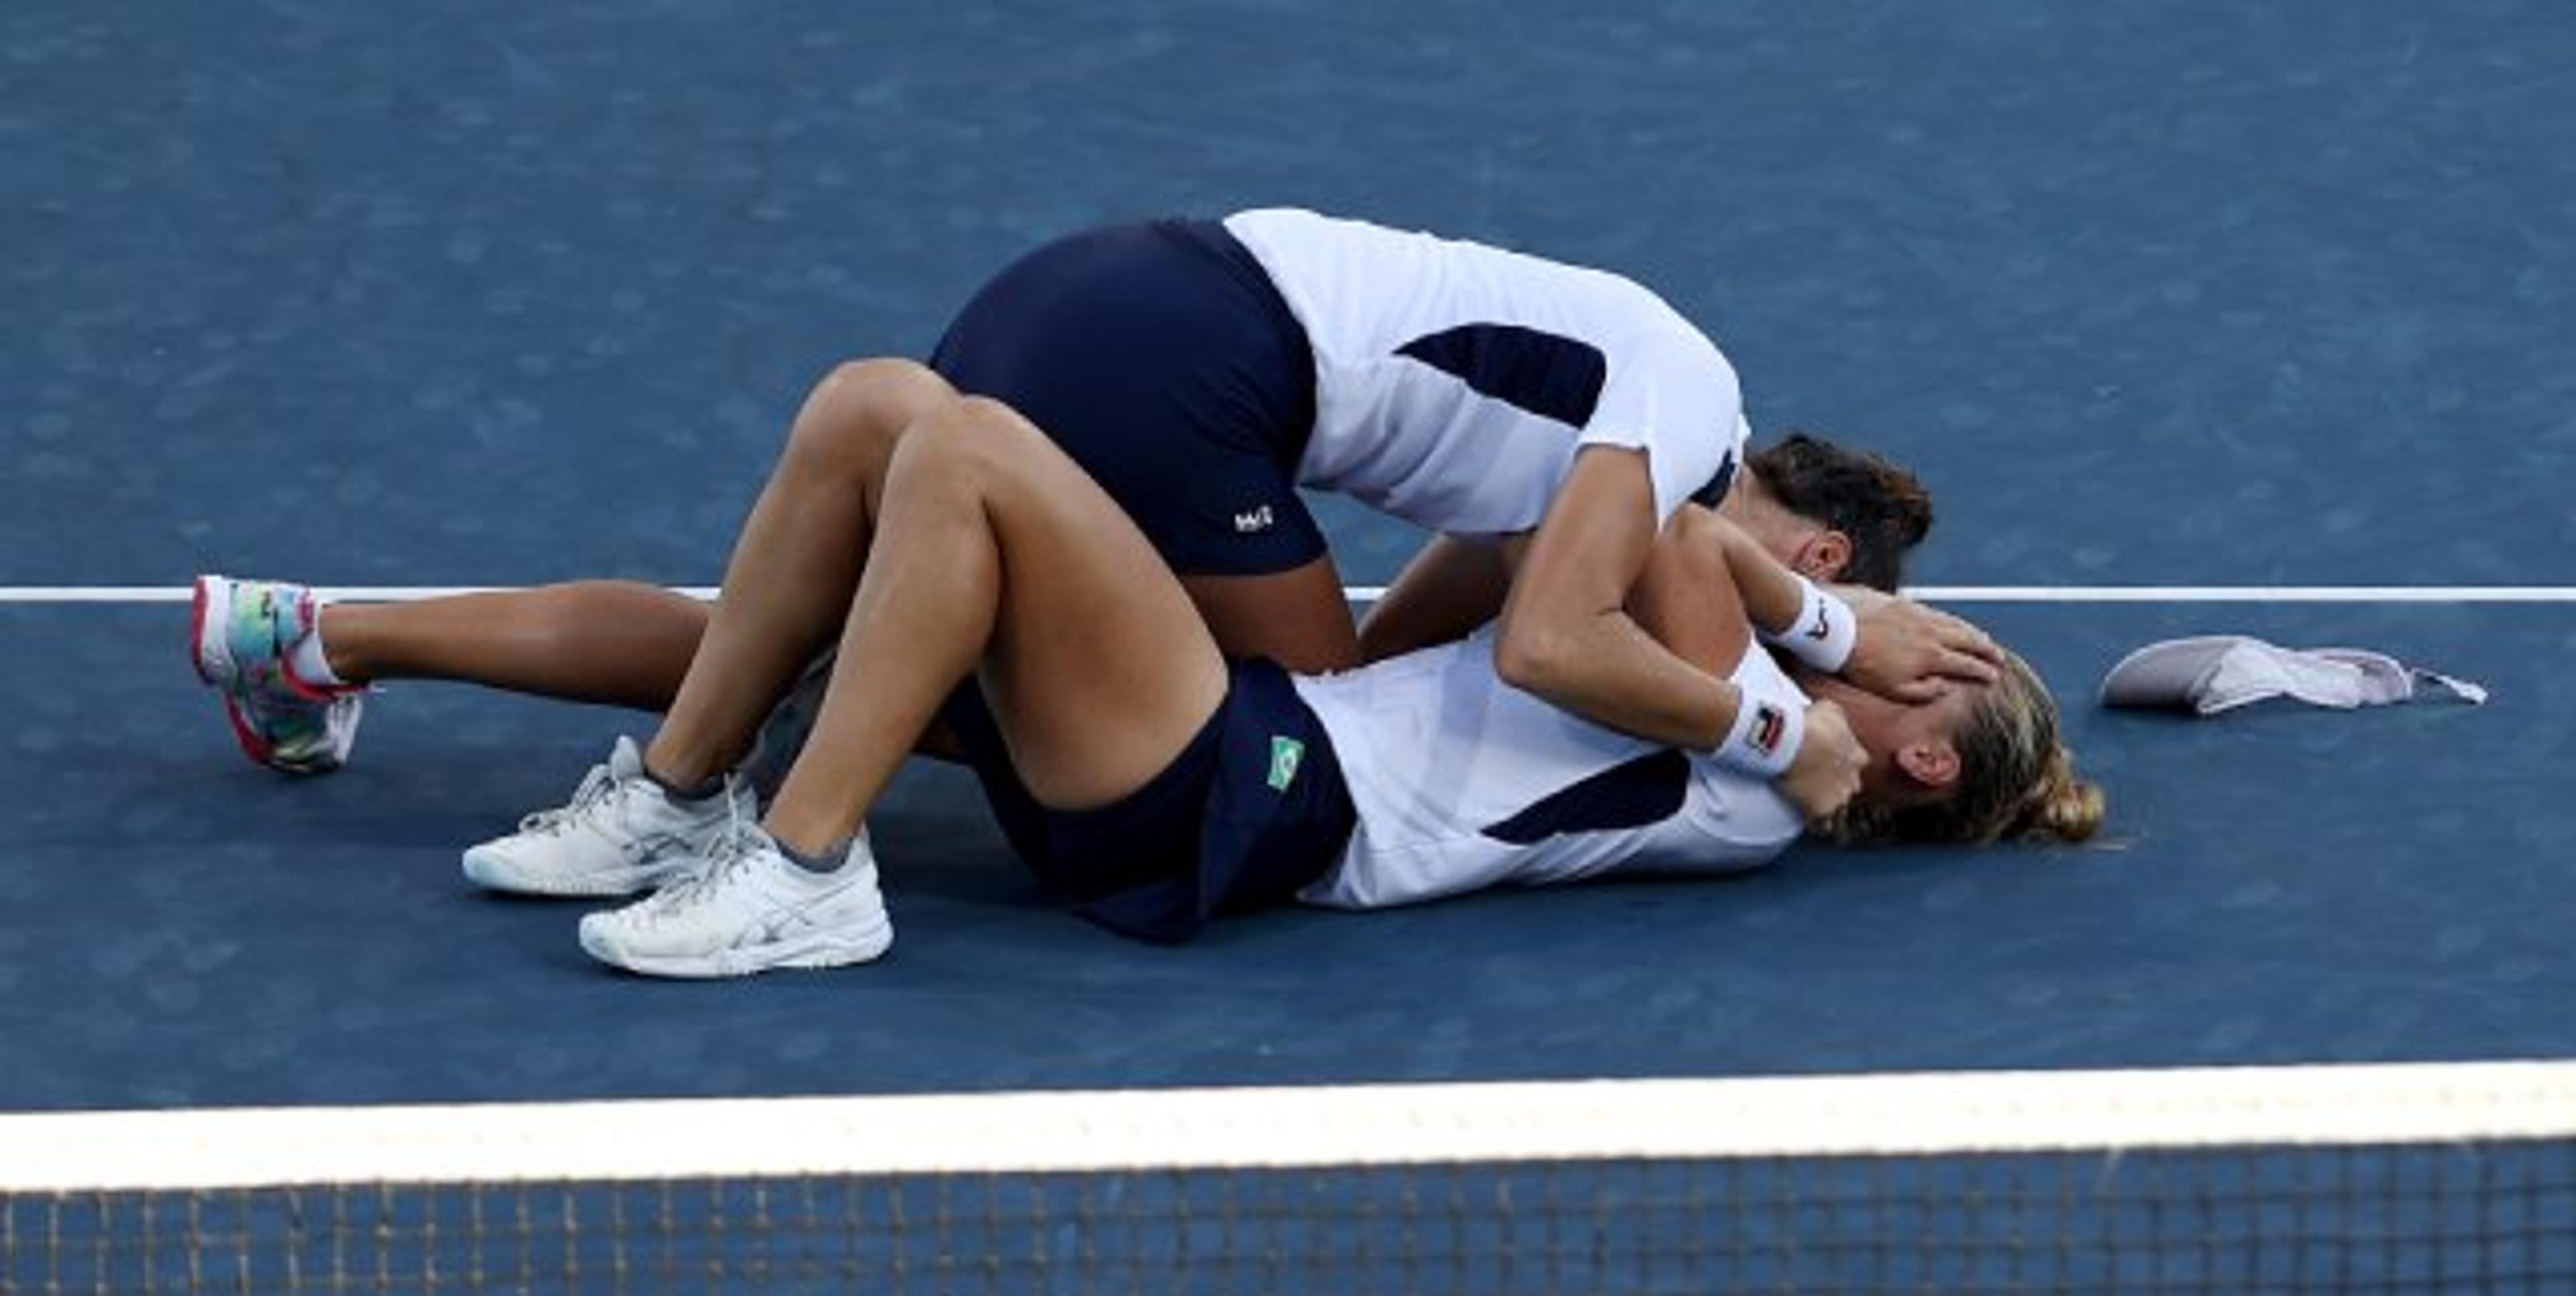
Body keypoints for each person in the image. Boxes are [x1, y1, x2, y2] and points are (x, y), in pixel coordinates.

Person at [193, 207, 1991, 775]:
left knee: (791, 633)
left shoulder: (1619, 421)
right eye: (1820, 596)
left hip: (1106, 297)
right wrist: (1798, 708)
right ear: (1816, 541)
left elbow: (1470, 581)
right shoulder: (1680, 433)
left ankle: (320, 632)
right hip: (1185, 377)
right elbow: (1549, 637)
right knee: (1232, 716)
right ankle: (809, 809)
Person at [443, 381, 2096, 977]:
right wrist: (1532, 493)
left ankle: (804, 872)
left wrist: (1828, 632)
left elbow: (1654, 515)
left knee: (972, 454)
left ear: (1926, 764)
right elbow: (1553, 523)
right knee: (881, 404)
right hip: (1223, 751)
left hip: (1241, 801)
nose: (1912, 636)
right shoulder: (1727, 698)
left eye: (1942, 664)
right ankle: (679, 798)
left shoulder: (1775, 767)